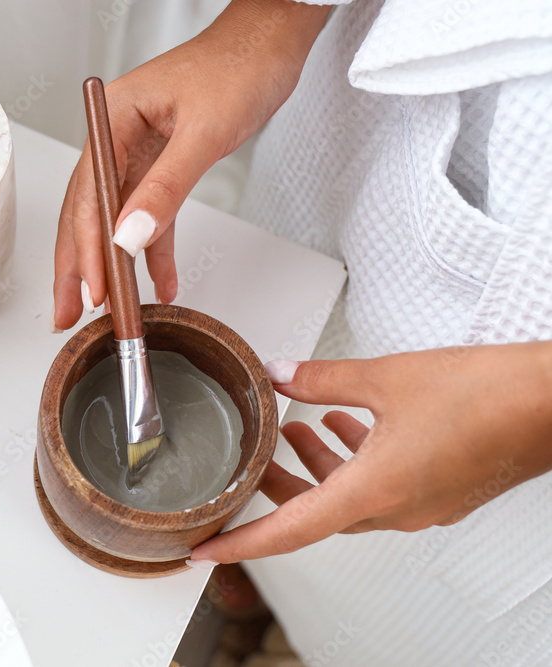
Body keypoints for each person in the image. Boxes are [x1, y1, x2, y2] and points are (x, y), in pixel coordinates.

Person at [51, 0, 552, 663]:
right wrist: (270, 19)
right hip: (376, 86)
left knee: (400, 609)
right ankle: (274, 593)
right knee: (294, 489)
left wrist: (532, 406)